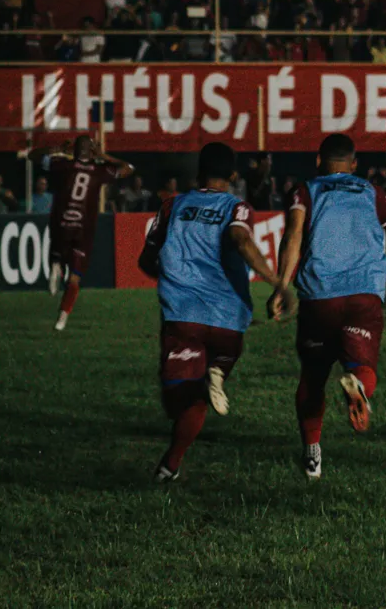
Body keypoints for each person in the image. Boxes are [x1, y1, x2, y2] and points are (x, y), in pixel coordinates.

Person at [269, 134, 386, 480]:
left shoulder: (304, 190)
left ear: (318, 161)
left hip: (320, 296)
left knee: (313, 378)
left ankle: (312, 456)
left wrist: (282, 286)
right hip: (363, 296)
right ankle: (359, 387)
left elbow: (292, 237)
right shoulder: (373, 193)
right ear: (353, 165)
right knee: (363, 364)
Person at [138, 142, 285, 482]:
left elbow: (145, 259)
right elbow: (242, 240)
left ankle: (171, 462)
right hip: (228, 323)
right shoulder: (238, 207)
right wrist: (277, 282)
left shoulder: (172, 205)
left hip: (183, 316)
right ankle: (216, 373)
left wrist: (172, 276)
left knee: (179, 400)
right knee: (200, 392)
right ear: (233, 176)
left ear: (198, 173)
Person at [29, 137, 134, 330]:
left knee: (58, 251)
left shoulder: (63, 165)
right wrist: (104, 156)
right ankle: (63, 316)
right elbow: (129, 168)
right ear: (92, 151)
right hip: (84, 227)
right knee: (75, 277)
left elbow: (33, 156)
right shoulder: (101, 171)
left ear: (74, 151)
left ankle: (56, 265)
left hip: (63, 221)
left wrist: (56, 148)